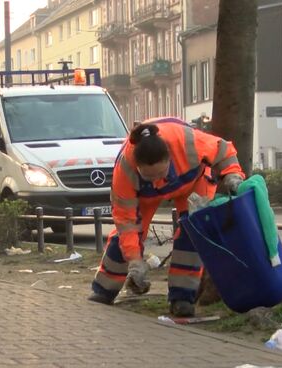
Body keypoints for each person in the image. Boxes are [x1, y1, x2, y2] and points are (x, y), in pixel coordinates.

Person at [88, 117, 245, 317]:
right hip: (145, 196)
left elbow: (223, 150)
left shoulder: (187, 141)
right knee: (125, 237)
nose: (157, 181)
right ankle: (104, 289)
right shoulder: (125, 170)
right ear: (137, 166)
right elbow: (126, 222)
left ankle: (182, 298)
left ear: (169, 156)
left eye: (161, 173)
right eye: (149, 177)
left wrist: (232, 174)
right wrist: (135, 262)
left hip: (193, 181)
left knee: (193, 232)